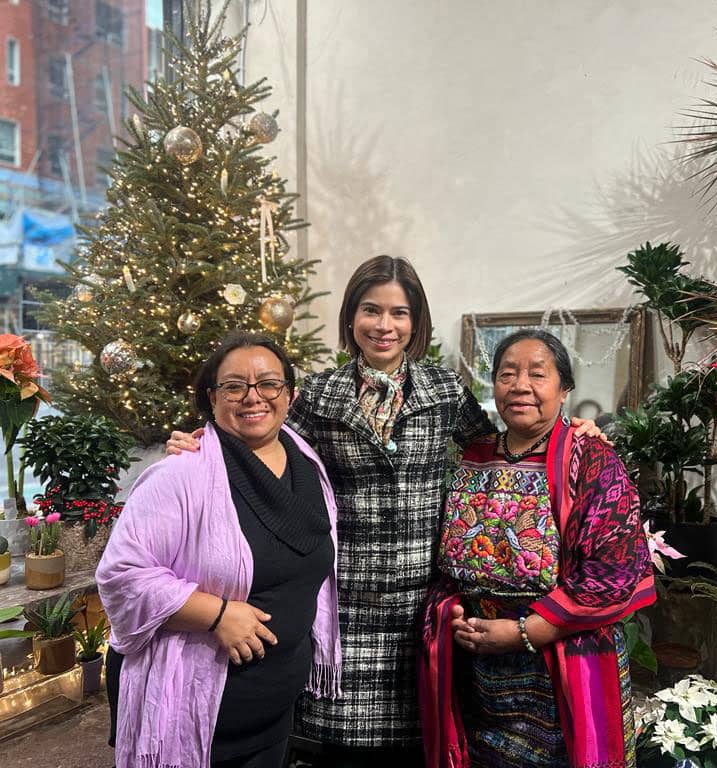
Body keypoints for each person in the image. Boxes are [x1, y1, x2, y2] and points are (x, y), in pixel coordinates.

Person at [167, 255, 603, 766]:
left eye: (399, 313)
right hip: (341, 604)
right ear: (351, 317)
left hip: (421, 607)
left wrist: (571, 432)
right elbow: (263, 438)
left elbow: (498, 447)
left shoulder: (442, 391)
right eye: (371, 310)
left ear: (415, 321)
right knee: (336, 751)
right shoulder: (320, 395)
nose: (384, 325)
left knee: (419, 743)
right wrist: (207, 440)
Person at [97, 332, 341, 768]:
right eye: (233, 386)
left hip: (274, 711)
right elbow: (122, 576)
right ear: (211, 399)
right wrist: (217, 614)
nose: (253, 397)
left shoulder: (307, 463)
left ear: (290, 394)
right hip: (194, 713)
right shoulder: (180, 475)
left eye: (268, 383)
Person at [419, 329, 656, 768]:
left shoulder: (591, 459)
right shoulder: (473, 455)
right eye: (507, 373)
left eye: (537, 374)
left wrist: (529, 631)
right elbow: (448, 556)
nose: (520, 385)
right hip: (479, 673)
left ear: (564, 390)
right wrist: (451, 609)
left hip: (560, 667)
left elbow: (615, 571)